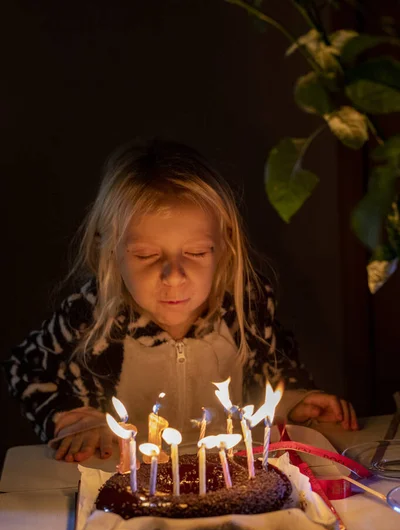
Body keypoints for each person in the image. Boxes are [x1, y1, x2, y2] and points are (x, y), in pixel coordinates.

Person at [3, 139, 358, 463]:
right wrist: (77, 420)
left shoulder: (244, 303)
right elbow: (25, 367)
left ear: (225, 244)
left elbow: (274, 368)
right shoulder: (91, 313)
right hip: (124, 487)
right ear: (110, 250)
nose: (174, 275)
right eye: (145, 255)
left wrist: (293, 402)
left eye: (196, 252)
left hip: (229, 478)